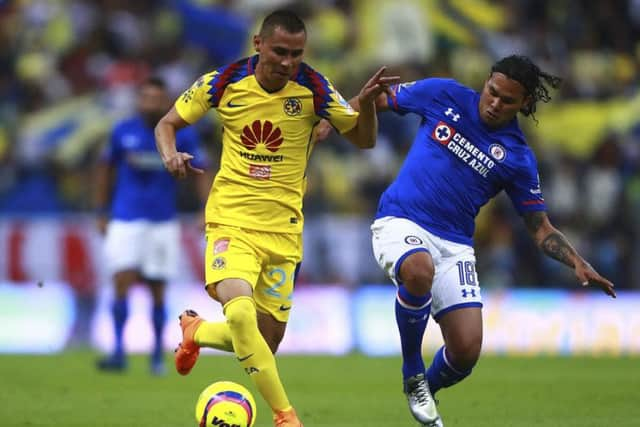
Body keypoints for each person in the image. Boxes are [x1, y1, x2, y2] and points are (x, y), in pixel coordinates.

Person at [154, 9, 397, 427]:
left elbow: (364, 138)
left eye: (296, 54)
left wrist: (369, 105)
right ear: (258, 44)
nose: (287, 62)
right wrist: (169, 155)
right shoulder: (223, 81)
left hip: (284, 232)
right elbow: (167, 123)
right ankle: (286, 418)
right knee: (242, 314)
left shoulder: (314, 86)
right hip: (231, 221)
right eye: (280, 51)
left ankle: (198, 331)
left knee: (263, 341)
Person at [357, 55, 616, 426]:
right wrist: (333, 123)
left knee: (465, 351)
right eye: (492, 92)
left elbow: (539, 227)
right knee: (417, 269)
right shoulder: (443, 93)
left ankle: (424, 392)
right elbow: (375, 101)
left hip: (455, 245)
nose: (495, 103)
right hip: (400, 219)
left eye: (507, 100)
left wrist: (575, 259)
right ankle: (413, 374)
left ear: (524, 103)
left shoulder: (517, 157)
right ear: (486, 81)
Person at [95, 77, 209, 375]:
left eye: (157, 98)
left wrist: (205, 209)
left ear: (165, 101)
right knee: (122, 282)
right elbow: (105, 170)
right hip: (125, 218)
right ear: (138, 100)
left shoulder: (181, 134)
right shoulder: (123, 131)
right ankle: (119, 351)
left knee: (158, 287)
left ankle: (157, 355)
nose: (151, 103)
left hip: (162, 221)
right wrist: (101, 211)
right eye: (145, 97)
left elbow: (201, 172)